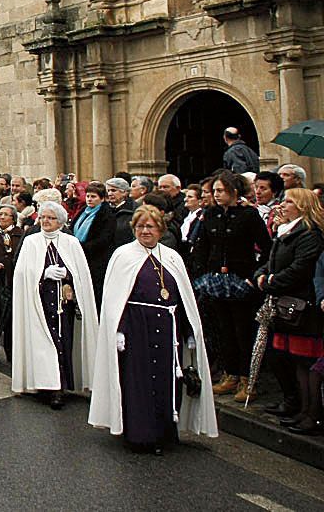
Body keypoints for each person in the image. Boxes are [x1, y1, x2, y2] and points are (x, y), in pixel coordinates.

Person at [89, 204, 217, 454]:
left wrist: (189, 332)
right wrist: (119, 330)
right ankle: (140, 435)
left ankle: (165, 433)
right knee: (140, 381)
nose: (144, 231)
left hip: (169, 328)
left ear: (160, 229)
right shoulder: (123, 255)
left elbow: (183, 298)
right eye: (139, 226)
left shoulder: (172, 257)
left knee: (168, 381)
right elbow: (116, 300)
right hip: (137, 328)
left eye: (150, 226)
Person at [193, 170, 272, 404]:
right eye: (214, 191)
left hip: (241, 280)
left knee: (242, 331)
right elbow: (203, 246)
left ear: (234, 192)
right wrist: (204, 274)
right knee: (223, 329)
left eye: (220, 191)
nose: (216, 195)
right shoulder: (211, 214)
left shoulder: (249, 215)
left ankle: (248, 380)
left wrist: (252, 276)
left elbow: (266, 248)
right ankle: (231, 375)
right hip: (216, 280)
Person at [11, 201, 99, 409]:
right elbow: (22, 272)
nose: (45, 221)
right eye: (42, 217)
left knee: (63, 341)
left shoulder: (71, 243)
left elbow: (82, 274)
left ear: (60, 221)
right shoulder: (31, 242)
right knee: (44, 343)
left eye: (50, 218)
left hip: (63, 304)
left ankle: (62, 383)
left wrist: (68, 275)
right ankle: (48, 386)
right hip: (39, 302)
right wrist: (43, 274)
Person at [253, 189, 324, 434]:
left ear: (303, 207)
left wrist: (270, 281)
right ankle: (297, 407)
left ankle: (310, 414)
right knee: (288, 360)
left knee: (306, 364)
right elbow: (270, 260)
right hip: (285, 306)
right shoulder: (287, 232)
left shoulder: (309, 235)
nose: (283, 205)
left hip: (302, 308)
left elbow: (300, 268)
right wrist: (261, 275)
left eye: (289, 201)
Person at [0, 203, 24, 360]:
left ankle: (11, 352)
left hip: (13, 280)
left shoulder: (20, 235)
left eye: (6, 214)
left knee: (12, 320)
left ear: (13, 218)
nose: (2, 217)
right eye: (0, 214)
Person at [72, 181, 117, 311]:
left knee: (96, 293)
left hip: (97, 259)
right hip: (80, 255)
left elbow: (104, 238)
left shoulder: (107, 214)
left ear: (102, 198)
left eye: (93, 197)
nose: (90, 199)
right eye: (88, 196)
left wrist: (83, 247)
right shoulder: (83, 211)